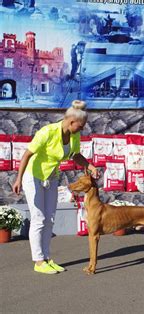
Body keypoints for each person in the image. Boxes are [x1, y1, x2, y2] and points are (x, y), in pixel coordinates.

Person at [12, 100, 99, 274]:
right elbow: (27, 154)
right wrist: (18, 179)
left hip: (51, 177)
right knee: (38, 218)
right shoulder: (47, 132)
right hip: (33, 176)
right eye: (80, 126)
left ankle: (46, 258)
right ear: (71, 121)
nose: (82, 129)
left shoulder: (74, 135)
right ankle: (38, 261)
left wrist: (89, 165)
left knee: (50, 219)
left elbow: (75, 155)